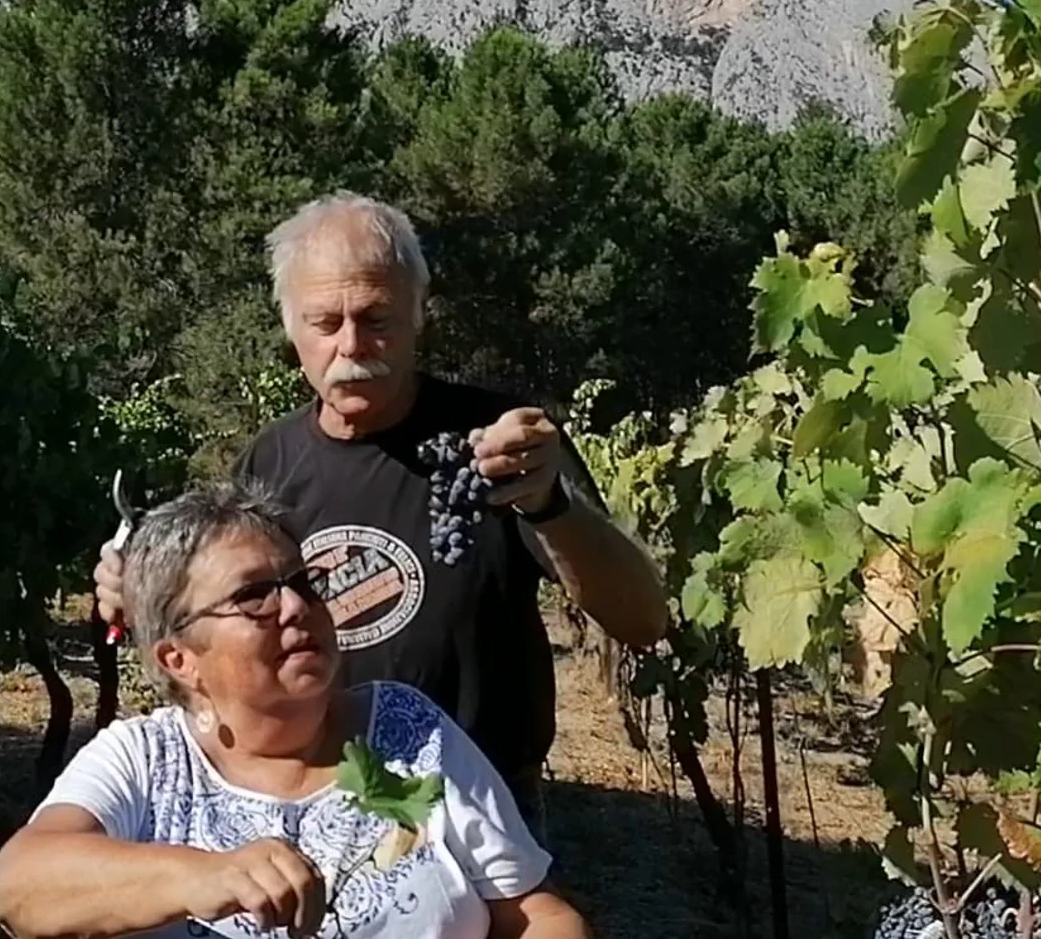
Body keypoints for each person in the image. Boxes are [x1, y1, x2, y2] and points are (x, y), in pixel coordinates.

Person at [95, 191, 669, 833]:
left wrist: (550, 504)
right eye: (326, 323)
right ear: (292, 329)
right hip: (314, 800)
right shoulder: (268, 459)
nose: (351, 345)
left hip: (475, 803)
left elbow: (643, 620)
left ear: (419, 315)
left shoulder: (499, 444)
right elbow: (211, 618)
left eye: (376, 319)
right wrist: (135, 591)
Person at [0, 481, 592, 939]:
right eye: (253, 596)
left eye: (301, 583)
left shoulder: (408, 733)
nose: (295, 607)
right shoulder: (146, 760)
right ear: (178, 659)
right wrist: (203, 876)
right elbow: (18, 886)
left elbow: (536, 914)